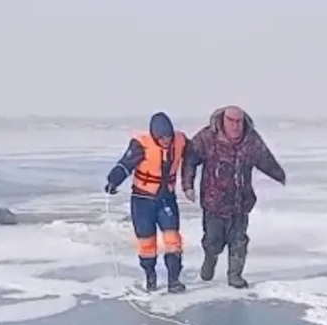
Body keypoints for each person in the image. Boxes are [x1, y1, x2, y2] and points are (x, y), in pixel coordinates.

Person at [181, 105, 286, 289]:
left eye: (239, 121)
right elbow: (190, 159)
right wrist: (188, 186)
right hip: (214, 204)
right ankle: (210, 259)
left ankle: (235, 276)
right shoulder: (207, 137)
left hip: (240, 203)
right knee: (213, 242)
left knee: (239, 242)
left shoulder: (251, 139)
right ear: (223, 120)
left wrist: (280, 176)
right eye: (231, 121)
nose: (236, 126)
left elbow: (265, 159)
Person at [104, 112, 187, 293]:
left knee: (173, 239)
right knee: (146, 242)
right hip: (142, 201)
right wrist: (113, 181)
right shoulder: (140, 145)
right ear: (155, 136)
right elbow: (125, 164)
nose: (166, 140)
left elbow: (195, 156)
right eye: (162, 137)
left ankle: (174, 280)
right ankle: (150, 275)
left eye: (169, 136)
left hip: (166, 199)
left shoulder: (180, 141)